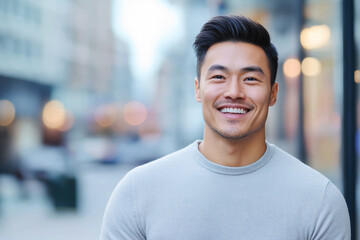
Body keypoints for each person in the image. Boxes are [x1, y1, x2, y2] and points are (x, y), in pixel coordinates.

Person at [100, 15, 351, 239]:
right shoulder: (137, 193)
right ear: (198, 89)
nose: (234, 92)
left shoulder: (319, 200)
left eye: (250, 79)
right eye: (219, 77)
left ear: (273, 93)